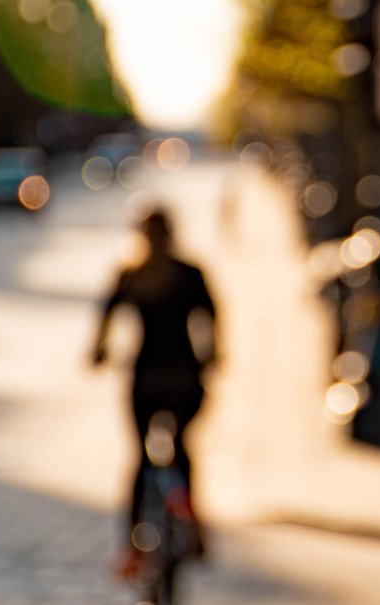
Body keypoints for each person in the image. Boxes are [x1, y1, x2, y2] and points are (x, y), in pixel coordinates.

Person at [91, 207, 216, 578]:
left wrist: (98, 351)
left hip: (145, 378)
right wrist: (213, 353)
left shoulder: (133, 275)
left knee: (140, 458)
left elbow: (106, 317)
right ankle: (192, 523)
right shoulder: (190, 273)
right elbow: (213, 315)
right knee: (183, 448)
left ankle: (131, 546)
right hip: (184, 376)